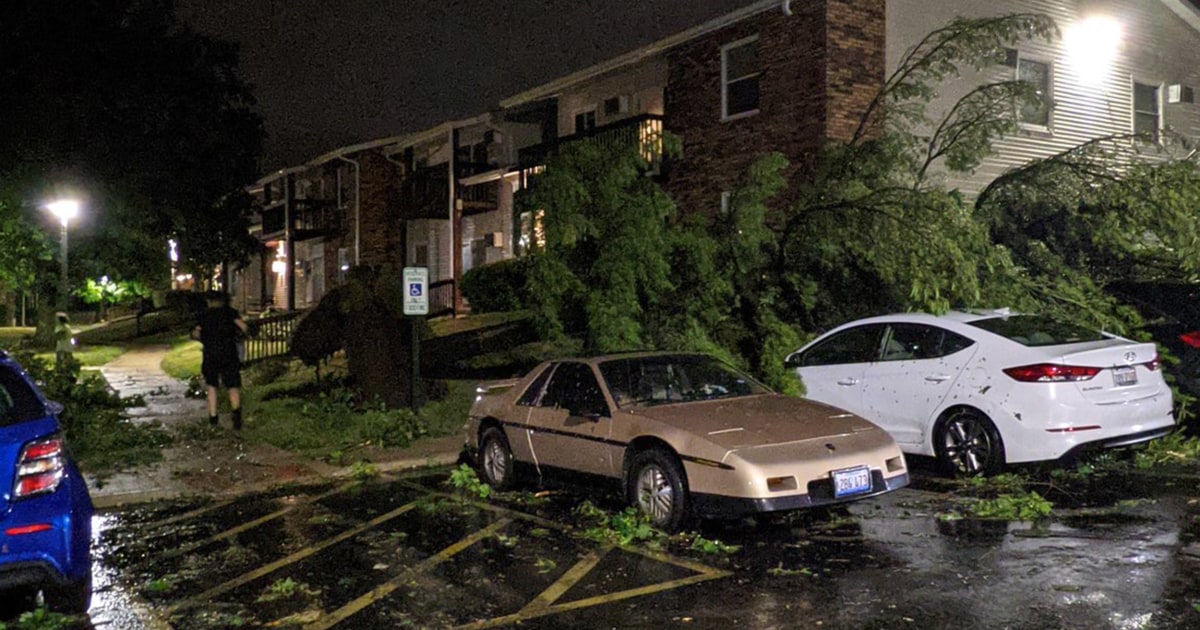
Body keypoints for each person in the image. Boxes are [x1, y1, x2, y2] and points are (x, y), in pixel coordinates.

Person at [192, 292, 248, 429]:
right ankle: (236, 417)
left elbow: (196, 333)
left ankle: (213, 418)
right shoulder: (230, 313)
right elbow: (243, 327)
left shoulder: (204, 315)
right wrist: (238, 336)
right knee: (232, 385)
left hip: (211, 353)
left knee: (212, 386)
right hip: (229, 352)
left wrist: (204, 338)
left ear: (210, 301)